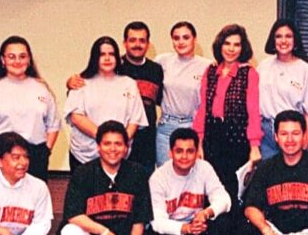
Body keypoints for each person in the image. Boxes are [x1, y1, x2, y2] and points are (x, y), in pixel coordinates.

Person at [59, 121, 153, 235]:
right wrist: (104, 232)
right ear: (98, 147)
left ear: (126, 148)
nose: (113, 149)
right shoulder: (83, 173)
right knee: (71, 231)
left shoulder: (137, 173)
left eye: (118, 143)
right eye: (107, 143)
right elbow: (73, 216)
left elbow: (139, 221)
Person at [147, 128, 233, 235]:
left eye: (190, 151)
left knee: (223, 223)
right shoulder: (158, 178)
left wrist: (206, 213)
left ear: (196, 152)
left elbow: (224, 199)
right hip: (173, 232)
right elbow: (157, 221)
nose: (184, 156)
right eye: (179, 151)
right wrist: (184, 228)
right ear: (170, 153)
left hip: (197, 227)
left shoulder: (204, 168)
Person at [0, 35, 59, 181]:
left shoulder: (42, 89)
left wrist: (45, 152)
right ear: (2, 60)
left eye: (22, 56)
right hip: (1, 157)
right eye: (11, 56)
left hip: (34, 158)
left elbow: (53, 124)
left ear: (29, 60)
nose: (17, 61)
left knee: (31, 201)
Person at [193, 24, 262, 198]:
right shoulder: (210, 71)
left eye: (236, 45)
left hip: (237, 138)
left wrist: (254, 147)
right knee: (211, 191)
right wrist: (199, 144)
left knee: (232, 190)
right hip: (212, 137)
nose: (231, 49)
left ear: (242, 48)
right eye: (227, 43)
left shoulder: (249, 73)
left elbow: (253, 111)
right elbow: (203, 109)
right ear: (220, 45)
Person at [63, 36, 147, 171]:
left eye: (111, 54)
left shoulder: (129, 83)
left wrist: (118, 143)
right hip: (84, 154)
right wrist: (105, 140)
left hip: (119, 155)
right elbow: (76, 117)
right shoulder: (81, 81)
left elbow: (135, 119)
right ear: (95, 58)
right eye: (102, 54)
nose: (107, 58)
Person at [256, 19, 308, 159]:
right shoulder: (263, 67)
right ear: (273, 40)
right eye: (279, 36)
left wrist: (303, 143)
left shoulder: (305, 70)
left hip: (293, 133)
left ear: (295, 40)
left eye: (288, 36)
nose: (283, 41)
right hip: (266, 135)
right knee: (270, 178)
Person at [154, 21, 212, 167]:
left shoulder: (207, 65)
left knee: (192, 177)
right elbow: (135, 66)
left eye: (186, 37)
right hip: (166, 126)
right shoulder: (163, 61)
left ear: (195, 39)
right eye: (176, 38)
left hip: (193, 127)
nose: (180, 42)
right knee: (165, 176)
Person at [118, 22, 164, 170]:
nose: (137, 44)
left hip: (146, 142)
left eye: (142, 40)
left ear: (148, 44)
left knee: (144, 186)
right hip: (120, 138)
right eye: (132, 40)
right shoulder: (115, 67)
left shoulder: (156, 70)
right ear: (124, 43)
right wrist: (71, 82)